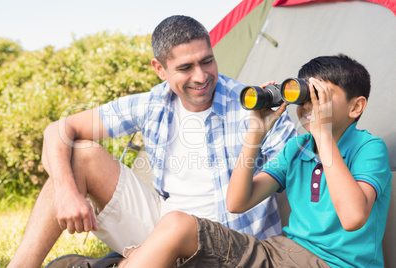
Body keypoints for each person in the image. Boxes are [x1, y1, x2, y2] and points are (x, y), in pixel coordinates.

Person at [8, 15, 296, 268]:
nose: (201, 76)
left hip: (231, 247)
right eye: (185, 68)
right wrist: (66, 191)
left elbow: (300, 171)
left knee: (177, 227)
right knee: (79, 154)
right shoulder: (153, 104)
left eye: (207, 61)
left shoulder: (253, 106)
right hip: (164, 229)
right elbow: (57, 130)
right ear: (160, 69)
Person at [120, 54, 393, 268]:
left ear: (356, 107)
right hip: (280, 254)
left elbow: (353, 218)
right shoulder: (297, 148)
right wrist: (256, 134)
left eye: (320, 96)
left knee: (171, 237)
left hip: (334, 265)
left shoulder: (368, 149)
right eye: (305, 96)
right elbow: (237, 202)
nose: (309, 106)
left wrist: (323, 136)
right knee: (175, 228)